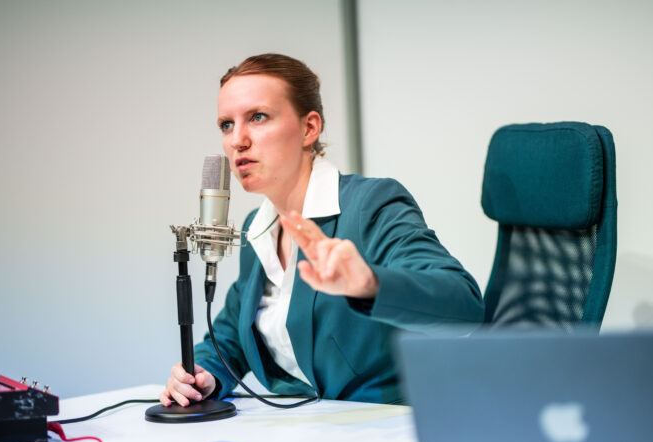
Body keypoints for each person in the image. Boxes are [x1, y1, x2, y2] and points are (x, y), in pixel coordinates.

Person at [160, 53, 484, 406]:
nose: (238, 140)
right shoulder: (257, 227)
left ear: (309, 128)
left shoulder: (369, 204)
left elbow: (464, 306)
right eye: (226, 124)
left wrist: (368, 285)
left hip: (388, 426)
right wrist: (205, 374)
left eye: (257, 117)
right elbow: (232, 335)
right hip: (309, 431)